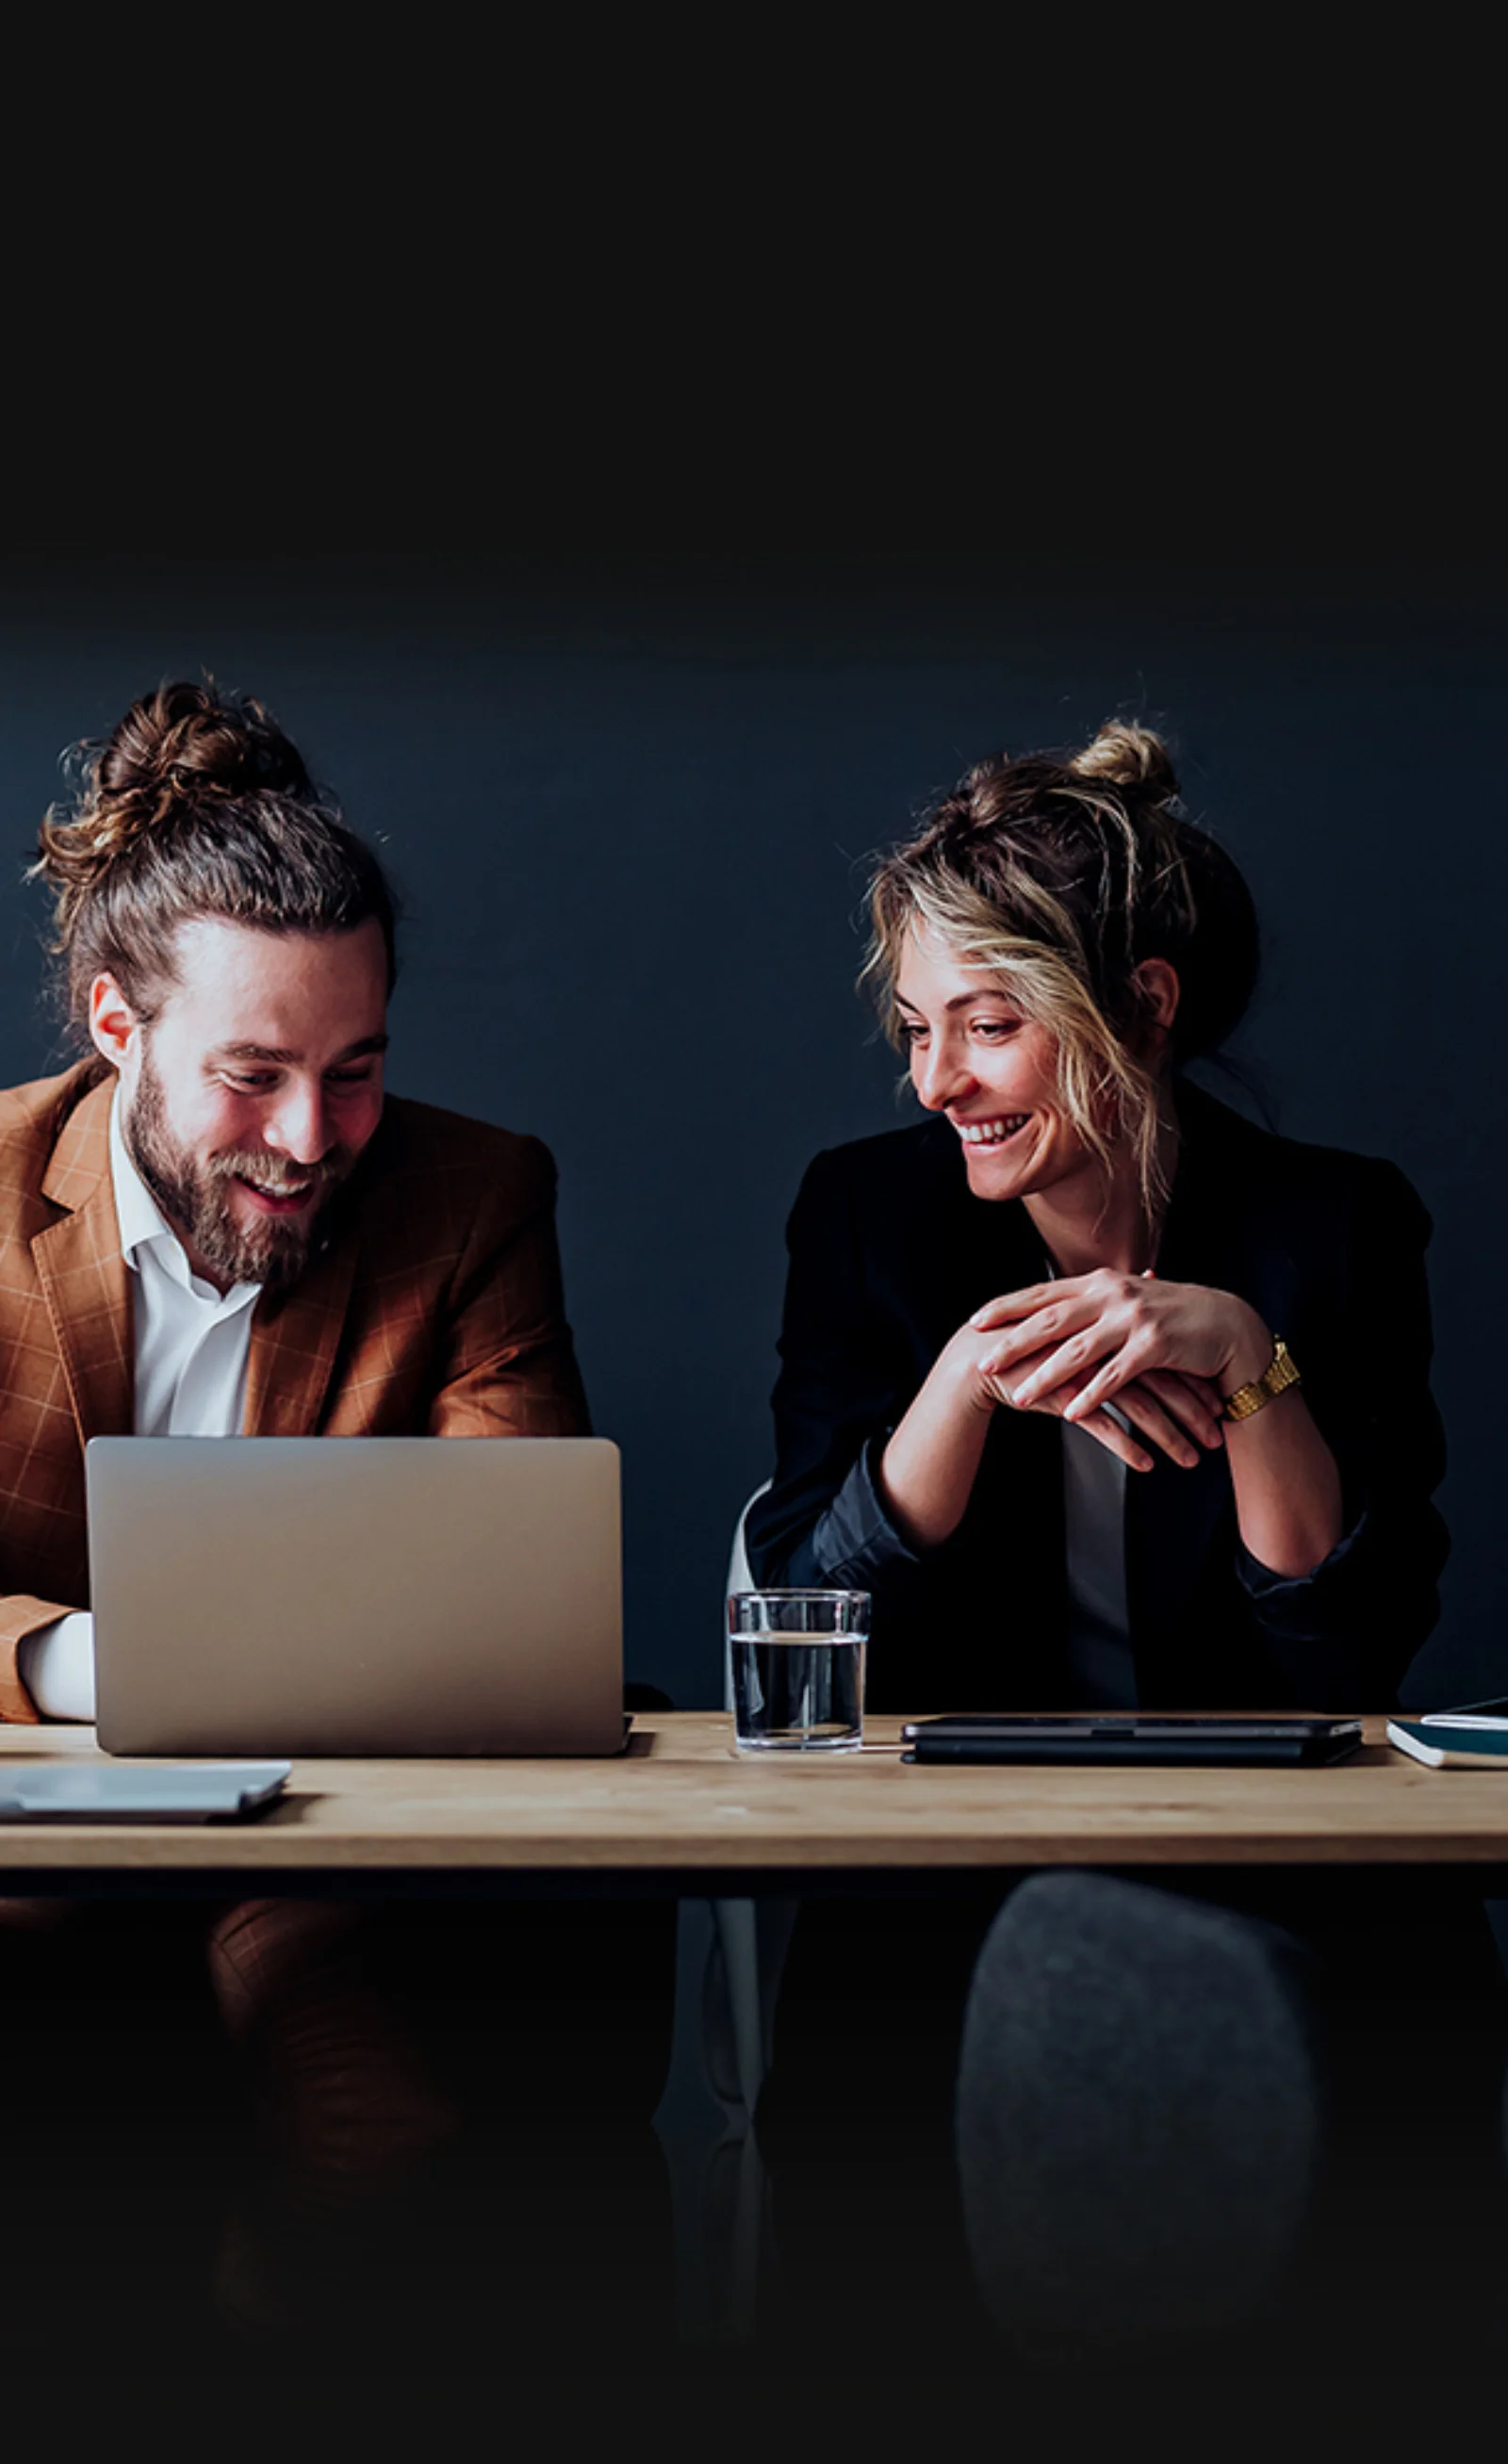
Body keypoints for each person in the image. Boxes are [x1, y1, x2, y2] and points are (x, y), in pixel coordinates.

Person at [745, 719, 1503, 2363]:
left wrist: (1251, 1366)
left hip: (1270, 1842)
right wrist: (962, 1383)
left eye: (990, 1027)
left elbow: (1357, 1653)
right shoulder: (870, 1219)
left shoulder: (1335, 1226)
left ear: (1142, 1008)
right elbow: (809, 1621)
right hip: (952, 1846)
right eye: (918, 1029)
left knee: (1386, 2054)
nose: (938, 1079)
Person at [0, 680, 670, 2356]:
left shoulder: (472, 1198)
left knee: (381, 2131)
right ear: (114, 1027)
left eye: (356, 1070)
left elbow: (513, 1574)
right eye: (254, 1076)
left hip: (325, 1839)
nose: (312, 1140)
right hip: (32, 1845)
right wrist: (93, 1662)